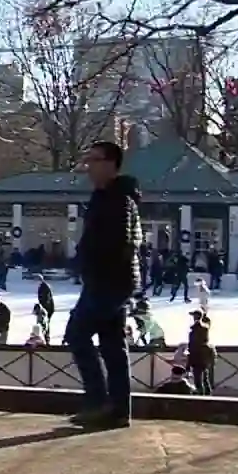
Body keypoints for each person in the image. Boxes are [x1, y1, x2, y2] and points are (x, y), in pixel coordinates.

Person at [65, 140, 142, 429]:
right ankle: (119, 409)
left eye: (94, 160)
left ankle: (98, 401)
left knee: (77, 333)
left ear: (111, 164)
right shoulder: (108, 196)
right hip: (111, 281)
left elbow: (121, 243)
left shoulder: (118, 199)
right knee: (112, 344)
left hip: (109, 281)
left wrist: (93, 266)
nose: (88, 167)